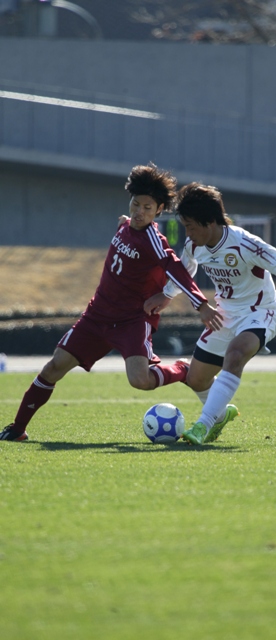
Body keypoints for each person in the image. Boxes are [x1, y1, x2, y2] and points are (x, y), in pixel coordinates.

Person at [0, 164, 221, 442]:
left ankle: (183, 370)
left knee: (140, 381)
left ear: (159, 210)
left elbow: (175, 267)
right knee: (53, 368)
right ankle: (17, 429)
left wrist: (200, 303)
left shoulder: (154, 238)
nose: (139, 212)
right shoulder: (125, 224)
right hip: (96, 317)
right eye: (135, 204)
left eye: (147, 208)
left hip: (131, 321)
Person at [144, 182, 276, 445]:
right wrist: (167, 294)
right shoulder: (195, 246)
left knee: (236, 354)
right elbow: (186, 270)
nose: (188, 233)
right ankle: (219, 414)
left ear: (210, 222)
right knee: (196, 379)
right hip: (225, 315)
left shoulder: (246, 244)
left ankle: (203, 426)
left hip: (261, 313)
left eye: (191, 226)